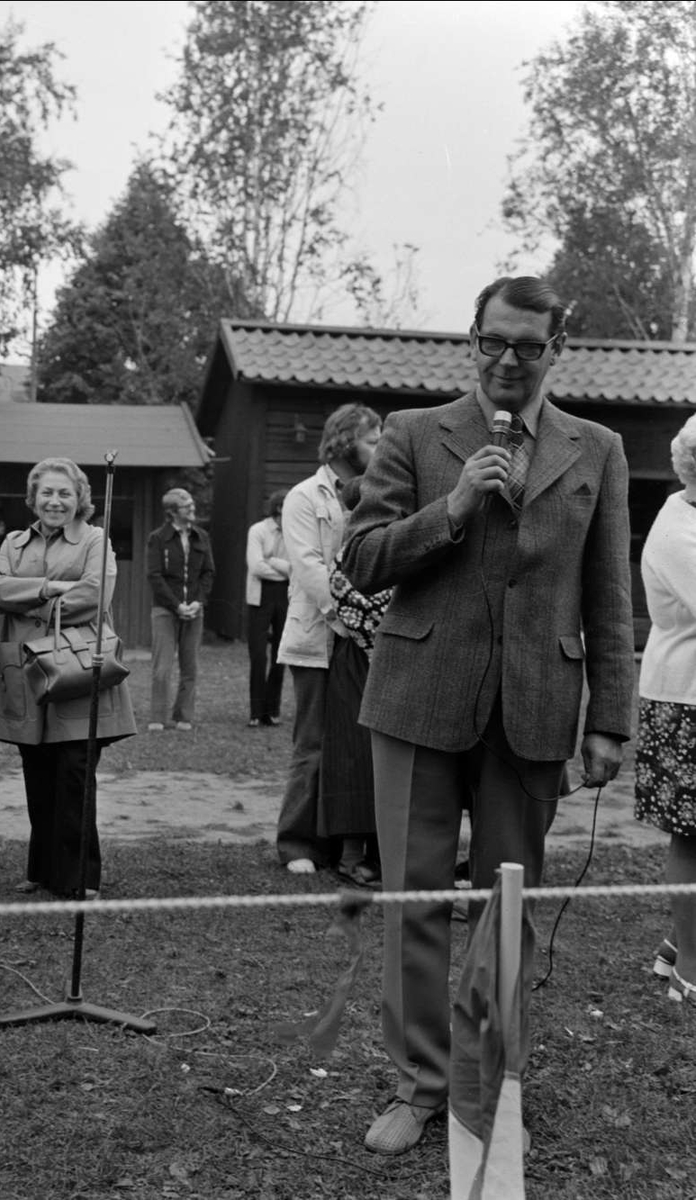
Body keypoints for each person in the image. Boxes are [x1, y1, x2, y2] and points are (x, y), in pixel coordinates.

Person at [340, 276, 635, 1155]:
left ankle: (488, 1084)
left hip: (538, 710)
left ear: (557, 351)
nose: (509, 361)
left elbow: (608, 595)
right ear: (471, 339)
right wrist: (456, 505)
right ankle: (418, 1084)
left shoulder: (600, 449)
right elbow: (359, 560)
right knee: (415, 904)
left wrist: (609, 716)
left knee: (509, 910)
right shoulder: (412, 433)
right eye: (493, 342)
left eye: (528, 347)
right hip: (416, 702)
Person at [0, 457, 135, 897]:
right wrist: (48, 589)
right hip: (27, 669)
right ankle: (42, 869)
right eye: (46, 492)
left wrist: (26, 599)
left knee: (74, 772)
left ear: (79, 498)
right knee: (37, 769)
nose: (55, 500)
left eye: (64, 493)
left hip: (76, 667)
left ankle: (79, 878)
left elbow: (94, 593)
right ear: (33, 497)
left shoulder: (95, 540)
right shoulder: (12, 541)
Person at [275, 404, 381, 876]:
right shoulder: (303, 497)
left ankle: (347, 845)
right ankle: (298, 842)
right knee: (314, 742)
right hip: (321, 635)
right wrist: (352, 619)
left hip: (365, 640)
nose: (380, 449)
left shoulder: (379, 492)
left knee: (357, 745)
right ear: (343, 442)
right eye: (372, 440)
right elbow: (309, 567)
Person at [635, 415, 696, 1008]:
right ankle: (690, 969)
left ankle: (677, 945)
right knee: (691, 833)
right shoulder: (678, 531)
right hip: (686, 698)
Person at [320, 476, 393, 886]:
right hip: (364, 662)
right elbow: (347, 599)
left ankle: (382, 856)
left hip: (383, 661)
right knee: (354, 757)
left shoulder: (388, 547)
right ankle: (351, 857)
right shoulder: (353, 549)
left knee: (385, 760)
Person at [146, 488, 215, 731]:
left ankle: (183, 716)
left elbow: (208, 573)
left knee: (190, 665)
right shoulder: (158, 538)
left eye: (193, 506)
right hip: (165, 611)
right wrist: (176, 605)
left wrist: (198, 602)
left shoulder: (201, 537)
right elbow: (154, 575)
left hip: (195, 610)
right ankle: (157, 718)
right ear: (173, 512)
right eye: (188, 507)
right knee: (162, 666)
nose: (193, 511)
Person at [245, 488, 291, 727]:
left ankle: (271, 711)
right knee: (258, 655)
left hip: (285, 595)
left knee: (280, 655)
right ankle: (255, 711)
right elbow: (256, 567)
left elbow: (297, 566)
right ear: (280, 508)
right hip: (260, 597)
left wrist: (273, 561)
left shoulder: (294, 532)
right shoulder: (258, 531)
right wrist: (284, 569)